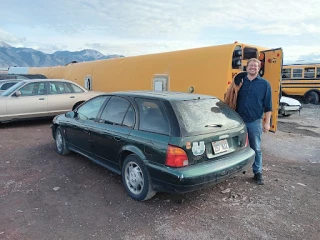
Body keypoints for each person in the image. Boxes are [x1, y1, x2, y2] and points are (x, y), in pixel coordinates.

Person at [235, 58, 272, 185]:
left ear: (259, 68)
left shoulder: (265, 84)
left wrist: (267, 123)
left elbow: (268, 106)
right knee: (236, 147)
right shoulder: (239, 82)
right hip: (238, 121)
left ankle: (258, 172)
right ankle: (235, 169)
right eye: (251, 66)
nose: (253, 68)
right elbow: (230, 96)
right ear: (247, 67)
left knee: (255, 147)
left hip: (254, 121)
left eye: (255, 66)